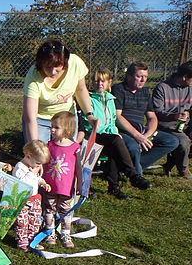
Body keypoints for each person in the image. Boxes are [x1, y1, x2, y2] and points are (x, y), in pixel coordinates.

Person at [79, 68, 150, 199]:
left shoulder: (111, 100)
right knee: (116, 141)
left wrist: (115, 134)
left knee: (116, 144)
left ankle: (114, 187)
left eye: (103, 81)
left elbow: (112, 121)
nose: (100, 83)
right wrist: (114, 135)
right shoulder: (88, 99)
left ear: (109, 83)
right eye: (96, 81)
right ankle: (132, 175)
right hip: (94, 135)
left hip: (108, 136)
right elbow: (89, 123)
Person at [111, 61, 179, 177]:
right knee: (133, 147)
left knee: (172, 141)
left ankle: (131, 166)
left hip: (142, 131)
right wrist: (138, 136)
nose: (143, 80)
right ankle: (136, 176)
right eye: (139, 76)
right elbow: (117, 117)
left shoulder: (145, 92)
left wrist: (146, 135)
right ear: (129, 76)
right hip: (124, 130)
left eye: (145, 77)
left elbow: (152, 117)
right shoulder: (118, 89)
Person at [22, 39, 97, 143]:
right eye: (48, 66)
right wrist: (35, 146)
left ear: (65, 61)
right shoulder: (33, 76)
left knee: (66, 152)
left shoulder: (75, 63)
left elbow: (81, 89)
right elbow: (30, 118)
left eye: (57, 66)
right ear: (41, 63)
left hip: (66, 117)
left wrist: (89, 115)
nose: (53, 71)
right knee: (41, 154)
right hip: (40, 118)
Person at [43, 111, 81, 249]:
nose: (52, 130)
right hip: (50, 185)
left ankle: (65, 233)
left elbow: (79, 169)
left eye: (56, 127)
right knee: (49, 208)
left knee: (66, 210)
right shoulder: (49, 145)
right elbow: (43, 163)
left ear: (68, 129)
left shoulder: (75, 148)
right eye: (52, 126)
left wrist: (80, 184)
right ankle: (50, 232)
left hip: (66, 186)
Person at [152, 61, 192, 179]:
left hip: (186, 123)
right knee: (184, 142)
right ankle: (183, 169)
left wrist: (188, 114)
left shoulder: (190, 88)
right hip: (167, 125)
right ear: (185, 77)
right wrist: (174, 116)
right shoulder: (162, 88)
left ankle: (170, 163)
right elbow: (156, 112)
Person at [12, 140, 51, 251]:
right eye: (38, 164)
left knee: (35, 220)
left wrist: (43, 183)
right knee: (22, 221)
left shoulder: (33, 167)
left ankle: (32, 240)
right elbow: (22, 181)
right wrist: (32, 172)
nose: (39, 166)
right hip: (23, 200)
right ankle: (22, 242)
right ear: (29, 156)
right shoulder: (20, 167)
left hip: (35, 199)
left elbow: (36, 178)